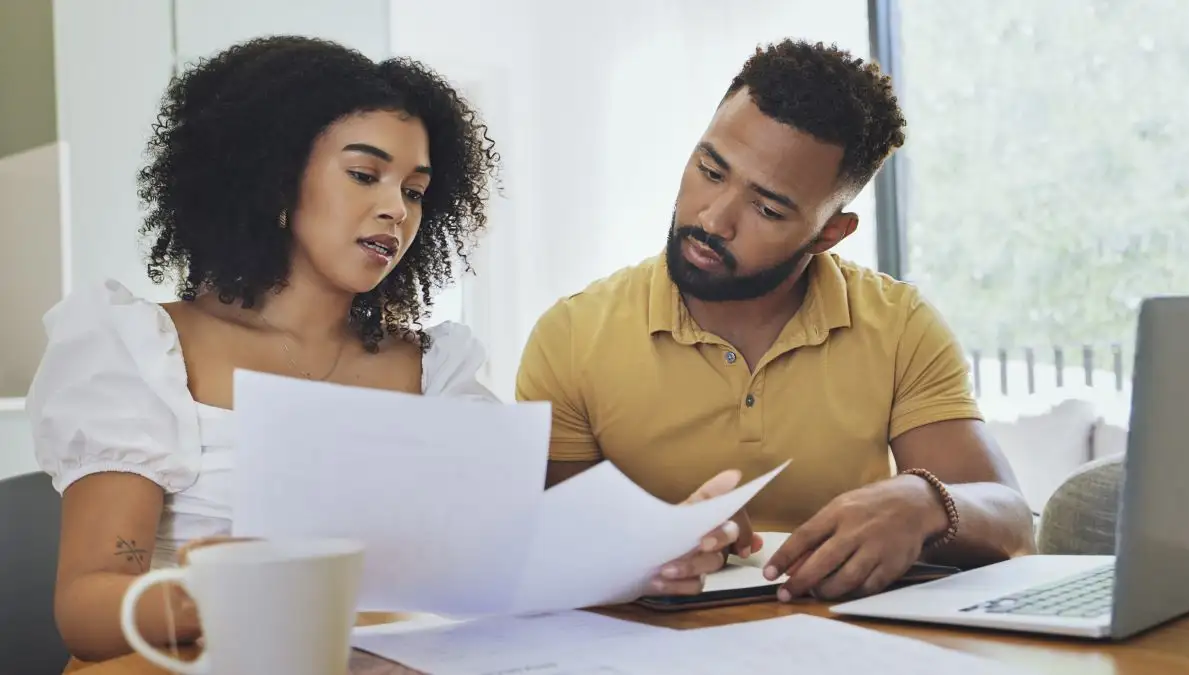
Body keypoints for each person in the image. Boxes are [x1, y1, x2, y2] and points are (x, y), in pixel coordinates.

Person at [26, 36, 742, 664]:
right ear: (273, 178)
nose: (397, 209)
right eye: (364, 175)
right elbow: (88, 609)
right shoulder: (143, 349)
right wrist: (240, 593)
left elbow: (519, 558)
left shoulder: (436, 370)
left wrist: (655, 541)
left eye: (416, 189)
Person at [515, 39, 1037, 604]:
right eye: (711, 170)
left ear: (828, 234)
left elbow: (1012, 522)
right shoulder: (570, 336)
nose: (713, 218)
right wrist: (646, 542)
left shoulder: (898, 325)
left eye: (767, 209)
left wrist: (925, 502)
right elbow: (537, 547)